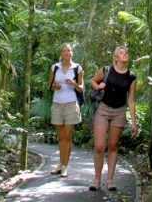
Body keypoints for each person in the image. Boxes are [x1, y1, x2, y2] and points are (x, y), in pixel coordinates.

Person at [89, 45, 137, 191]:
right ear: (116, 58)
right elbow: (92, 81)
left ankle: (110, 179)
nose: (124, 54)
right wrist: (98, 87)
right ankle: (96, 179)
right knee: (99, 147)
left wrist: (133, 122)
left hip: (119, 112)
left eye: (126, 52)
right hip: (102, 110)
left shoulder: (131, 77)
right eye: (121, 53)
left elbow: (131, 100)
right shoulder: (106, 71)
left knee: (113, 146)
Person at [48, 43, 83, 177]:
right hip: (57, 104)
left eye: (68, 50)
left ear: (72, 53)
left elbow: (81, 88)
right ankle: (60, 163)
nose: (66, 53)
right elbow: (49, 86)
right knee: (61, 136)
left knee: (68, 136)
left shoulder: (77, 68)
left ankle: (65, 166)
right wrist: (55, 87)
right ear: (61, 54)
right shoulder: (55, 67)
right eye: (64, 51)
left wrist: (73, 83)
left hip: (71, 104)